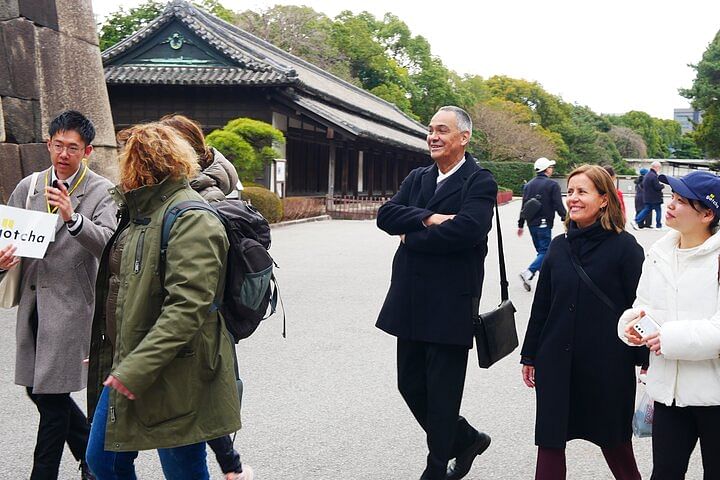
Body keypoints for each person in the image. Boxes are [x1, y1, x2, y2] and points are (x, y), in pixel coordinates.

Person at [85, 123, 241, 479]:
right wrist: (112, 343)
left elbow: (188, 307)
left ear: (139, 164)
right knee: (104, 459)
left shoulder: (191, 217)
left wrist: (134, 366)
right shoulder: (142, 212)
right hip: (135, 361)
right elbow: (126, 292)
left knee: (182, 469)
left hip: (178, 368)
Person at [376, 106, 497, 480]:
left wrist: (411, 234)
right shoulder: (419, 176)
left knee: (443, 397)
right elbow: (385, 215)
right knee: (409, 384)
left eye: (442, 130)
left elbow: (468, 231)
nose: (433, 136)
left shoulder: (480, 181)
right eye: (430, 130)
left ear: (463, 138)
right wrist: (428, 219)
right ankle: (466, 438)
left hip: (450, 304)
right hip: (410, 299)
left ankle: (436, 470)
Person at [0, 110, 116, 480]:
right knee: (39, 391)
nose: (64, 154)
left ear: (87, 151)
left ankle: (45, 473)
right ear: (49, 144)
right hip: (33, 304)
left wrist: (73, 217)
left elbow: (110, 246)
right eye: (58, 146)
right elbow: (9, 237)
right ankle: (93, 460)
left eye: (73, 148)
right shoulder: (30, 186)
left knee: (50, 402)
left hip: (71, 308)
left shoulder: (101, 191)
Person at [520, 165, 647, 480]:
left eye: (582, 192)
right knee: (550, 441)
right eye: (571, 191)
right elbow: (543, 304)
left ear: (604, 199)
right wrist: (530, 354)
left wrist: (645, 361)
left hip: (607, 364)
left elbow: (642, 308)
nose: (573, 198)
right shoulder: (560, 246)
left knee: (615, 443)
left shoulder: (625, 248)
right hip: (556, 360)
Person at [159, 113, 252, 480]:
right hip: (202, 316)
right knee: (199, 399)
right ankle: (232, 465)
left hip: (202, 315)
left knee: (194, 403)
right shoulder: (204, 183)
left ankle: (231, 465)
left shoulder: (202, 195)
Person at [619, 170, 720, 480]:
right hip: (668, 394)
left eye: (681, 201)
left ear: (706, 214)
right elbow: (642, 304)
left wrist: (668, 338)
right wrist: (631, 326)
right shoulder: (659, 253)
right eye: (672, 198)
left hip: (715, 396)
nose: (671, 205)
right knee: (664, 473)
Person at [517, 157, 567, 292]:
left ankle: (545, 277)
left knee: (542, 251)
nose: (552, 169)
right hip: (544, 223)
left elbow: (524, 205)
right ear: (547, 169)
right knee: (546, 251)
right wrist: (566, 218)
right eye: (551, 167)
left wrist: (520, 224)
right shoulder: (552, 185)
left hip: (531, 223)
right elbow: (558, 204)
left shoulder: (528, 185)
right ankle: (528, 272)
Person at [633, 161, 664, 229]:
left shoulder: (647, 175)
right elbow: (656, 186)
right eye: (659, 167)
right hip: (655, 197)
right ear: (656, 167)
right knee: (658, 210)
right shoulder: (653, 176)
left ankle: (636, 220)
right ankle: (658, 225)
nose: (659, 169)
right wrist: (662, 186)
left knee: (646, 209)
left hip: (647, 197)